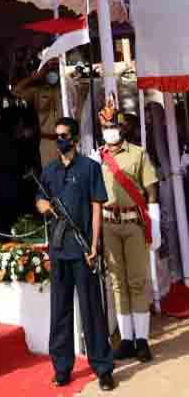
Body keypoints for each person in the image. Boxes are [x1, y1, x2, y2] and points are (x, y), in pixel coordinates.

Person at [35, 117, 115, 391]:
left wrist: (94, 245)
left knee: (92, 309)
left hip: (82, 251)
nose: (60, 140)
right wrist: (42, 205)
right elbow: (40, 198)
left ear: (76, 139)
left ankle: (102, 367)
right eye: (57, 135)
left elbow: (96, 207)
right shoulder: (50, 170)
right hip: (59, 251)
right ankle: (61, 368)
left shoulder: (90, 168)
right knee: (60, 310)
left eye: (65, 135)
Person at [94, 98, 160, 363]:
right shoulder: (97, 158)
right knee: (117, 283)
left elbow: (151, 189)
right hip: (108, 224)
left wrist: (154, 224)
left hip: (134, 223)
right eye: (106, 127)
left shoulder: (138, 153)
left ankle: (142, 340)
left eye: (114, 126)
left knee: (137, 281)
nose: (110, 130)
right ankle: (126, 339)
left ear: (122, 128)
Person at [14, 60, 77, 167]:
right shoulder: (38, 90)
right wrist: (32, 78)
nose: (53, 69)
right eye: (50, 66)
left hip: (66, 140)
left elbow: (76, 105)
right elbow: (16, 91)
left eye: (56, 66)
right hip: (47, 141)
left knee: (70, 173)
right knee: (50, 173)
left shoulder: (66, 86)